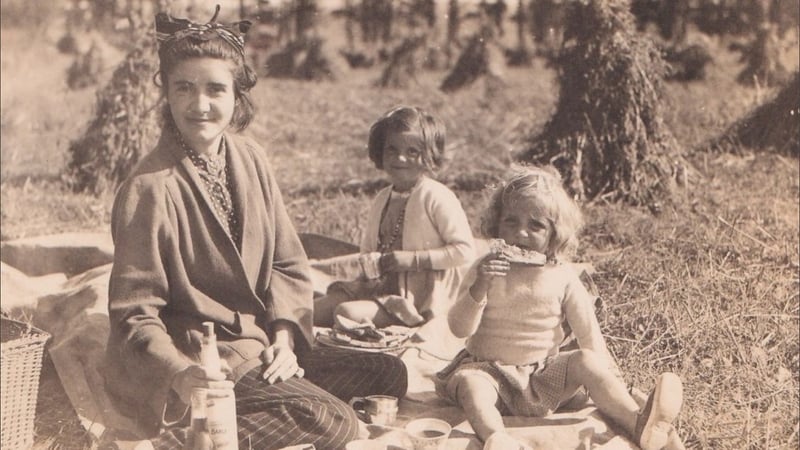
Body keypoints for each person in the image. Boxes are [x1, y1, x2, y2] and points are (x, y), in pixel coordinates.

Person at [103, 7, 407, 450]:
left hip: (264, 340)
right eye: (183, 88)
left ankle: (271, 405)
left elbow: (287, 262)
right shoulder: (148, 187)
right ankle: (178, 442)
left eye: (215, 89)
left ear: (237, 95)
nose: (200, 104)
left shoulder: (251, 158)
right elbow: (134, 314)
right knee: (333, 421)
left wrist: (285, 337)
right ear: (165, 94)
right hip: (207, 356)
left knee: (388, 373)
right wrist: (183, 376)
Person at [434, 165, 683, 450]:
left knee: (586, 361)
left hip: (543, 378)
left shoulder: (563, 277)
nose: (521, 233)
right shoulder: (485, 268)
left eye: (535, 225)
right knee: (470, 385)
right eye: (510, 221)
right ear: (496, 223)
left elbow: (590, 336)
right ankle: (496, 437)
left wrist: (611, 379)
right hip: (489, 373)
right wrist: (480, 286)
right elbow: (458, 328)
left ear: (554, 235)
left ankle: (638, 424)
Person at [313, 106, 476, 338]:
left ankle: (402, 325)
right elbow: (369, 248)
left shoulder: (435, 196)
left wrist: (413, 260)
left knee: (346, 312)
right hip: (380, 285)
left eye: (412, 151)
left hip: (418, 294)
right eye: (392, 149)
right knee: (312, 311)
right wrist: (370, 263)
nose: (400, 158)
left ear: (430, 155)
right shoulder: (383, 198)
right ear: (380, 151)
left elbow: (464, 251)